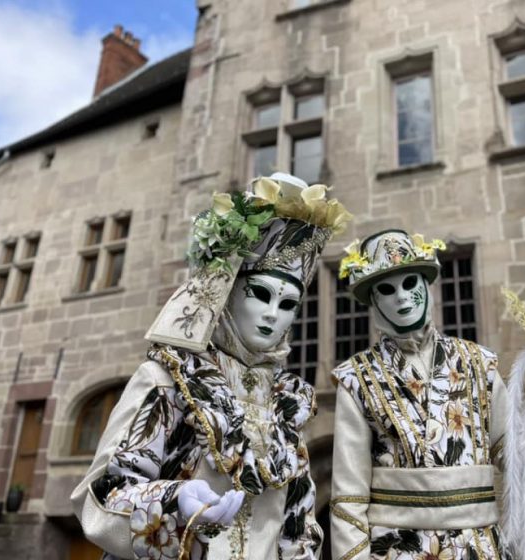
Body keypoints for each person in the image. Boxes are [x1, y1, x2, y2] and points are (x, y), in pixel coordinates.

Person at [71, 173, 351, 560]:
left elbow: (298, 525)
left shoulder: (287, 404)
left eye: (288, 304)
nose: (273, 314)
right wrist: (174, 502)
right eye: (261, 294)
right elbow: (101, 495)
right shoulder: (169, 379)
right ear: (229, 289)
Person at [329, 230, 525, 560]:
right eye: (386, 289)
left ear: (426, 285)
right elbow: (348, 496)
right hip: (397, 550)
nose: (401, 297)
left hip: (477, 548)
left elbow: (509, 446)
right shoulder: (357, 377)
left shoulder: (477, 363)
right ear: (374, 300)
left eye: (410, 283)